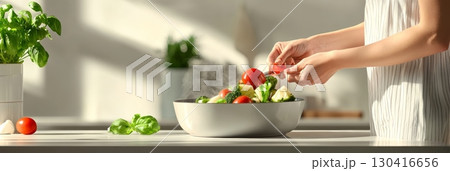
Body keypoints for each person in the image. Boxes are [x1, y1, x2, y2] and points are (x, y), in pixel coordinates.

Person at [267, 0, 449, 143]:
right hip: (386, 112)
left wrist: (335, 60)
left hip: (423, 109)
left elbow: (434, 34)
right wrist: (313, 45)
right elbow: (386, 23)